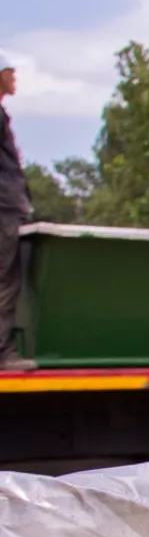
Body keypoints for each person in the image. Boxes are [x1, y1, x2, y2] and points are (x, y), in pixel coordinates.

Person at [0, 51, 27, 365]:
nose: (15, 77)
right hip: (3, 205)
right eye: (11, 72)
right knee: (6, 277)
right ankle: (4, 352)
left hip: (9, 202)